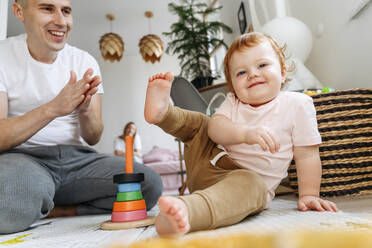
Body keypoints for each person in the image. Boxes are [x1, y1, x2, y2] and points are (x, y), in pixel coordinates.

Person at [144, 32, 338, 237]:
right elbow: (215, 129)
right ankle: (162, 114)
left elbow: (307, 155)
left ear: (282, 72)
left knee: (252, 185)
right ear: (234, 87)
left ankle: (186, 211)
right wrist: (245, 133)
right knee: (203, 123)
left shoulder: (298, 104)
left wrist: (309, 194)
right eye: (241, 72)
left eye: (262, 65)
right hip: (207, 162)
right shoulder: (233, 102)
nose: (252, 74)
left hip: (245, 183)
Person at [0, 0, 162, 234]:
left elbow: (94, 136)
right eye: (47, 8)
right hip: (24, 159)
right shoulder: (3, 55)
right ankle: (38, 196)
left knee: (147, 185)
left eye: (66, 11)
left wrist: (85, 111)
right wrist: (54, 108)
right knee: (7, 208)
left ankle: (59, 209)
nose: (61, 21)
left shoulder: (84, 61)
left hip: (78, 161)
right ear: (19, 11)